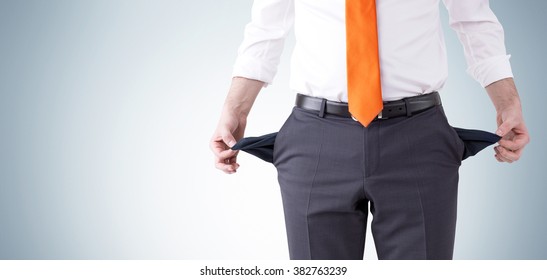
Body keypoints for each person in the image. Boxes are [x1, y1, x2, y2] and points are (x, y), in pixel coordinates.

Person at [210, 0, 530, 260]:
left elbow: (473, 17)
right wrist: (235, 109)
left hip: (417, 138)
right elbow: (267, 26)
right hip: (315, 140)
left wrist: (507, 102)